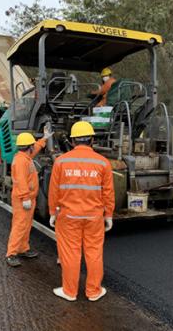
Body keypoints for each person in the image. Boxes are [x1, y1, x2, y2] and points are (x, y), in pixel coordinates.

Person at [48, 121, 115, 302]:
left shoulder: (61, 162)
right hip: (94, 217)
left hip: (68, 216)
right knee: (94, 253)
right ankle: (93, 291)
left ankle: (70, 291)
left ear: (72, 141)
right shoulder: (103, 163)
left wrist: (53, 212)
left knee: (71, 253)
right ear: (92, 140)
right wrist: (108, 215)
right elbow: (108, 192)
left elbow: (54, 191)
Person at [6, 128, 54, 267]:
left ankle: (23, 249)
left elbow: (36, 148)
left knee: (26, 225)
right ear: (29, 146)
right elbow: (20, 181)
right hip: (23, 199)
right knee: (19, 225)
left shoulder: (25, 157)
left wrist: (44, 139)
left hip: (28, 198)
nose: (34, 146)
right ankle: (11, 254)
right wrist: (25, 197)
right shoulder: (21, 161)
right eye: (33, 144)